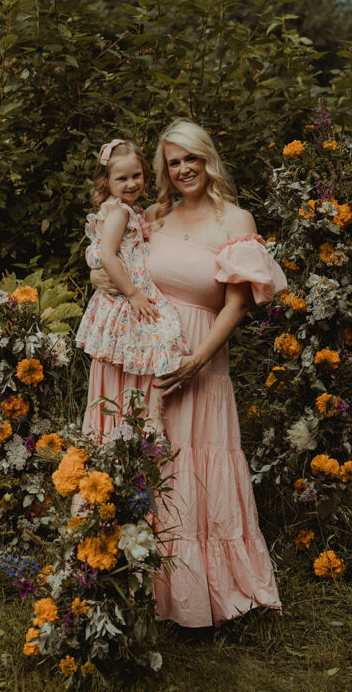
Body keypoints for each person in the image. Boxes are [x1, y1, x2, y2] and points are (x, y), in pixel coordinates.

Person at [87, 119, 287, 627]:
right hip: (138, 355)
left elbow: (237, 306)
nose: (183, 170)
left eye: (190, 159)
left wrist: (196, 361)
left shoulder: (236, 221)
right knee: (141, 461)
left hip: (195, 360)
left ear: (207, 160)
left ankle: (195, 591)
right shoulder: (153, 215)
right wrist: (99, 276)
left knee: (188, 469)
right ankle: (122, 581)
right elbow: (114, 259)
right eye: (173, 162)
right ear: (164, 170)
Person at [75, 138, 190, 430]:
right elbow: (107, 256)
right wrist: (134, 294)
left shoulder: (129, 210)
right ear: (107, 180)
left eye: (136, 176)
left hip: (131, 293)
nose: (130, 184)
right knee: (165, 337)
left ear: (145, 175)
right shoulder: (119, 212)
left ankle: (150, 413)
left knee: (159, 343)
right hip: (127, 295)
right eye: (121, 178)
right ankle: (152, 417)